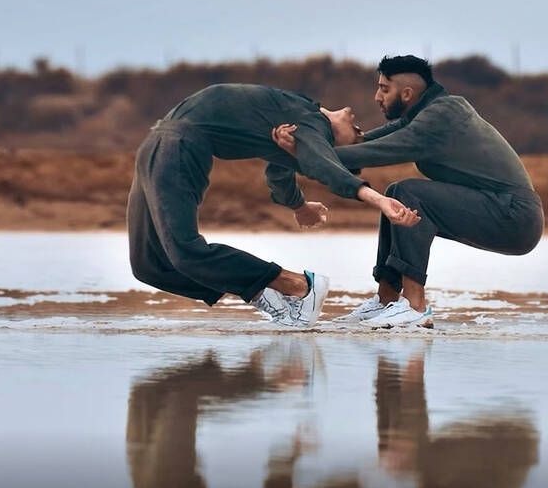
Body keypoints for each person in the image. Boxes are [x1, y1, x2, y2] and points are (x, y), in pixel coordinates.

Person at [272, 55, 544, 328]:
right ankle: (386, 302)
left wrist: (303, 153)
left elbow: (372, 152)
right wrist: (311, 139)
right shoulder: (425, 115)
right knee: (396, 193)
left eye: (384, 89)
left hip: (515, 216)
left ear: (407, 93)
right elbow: (363, 143)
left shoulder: (441, 117)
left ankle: (415, 308)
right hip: (501, 210)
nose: (377, 97)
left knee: (408, 193)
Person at [127, 83, 420, 328]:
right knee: (147, 266)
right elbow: (284, 172)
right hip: (158, 140)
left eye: (357, 139)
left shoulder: (312, 126)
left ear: (331, 148)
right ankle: (267, 292)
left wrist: (377, 199)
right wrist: (300, 205)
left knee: (184, 251)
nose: (361, 131)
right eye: (360, 134)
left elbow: (319, 166)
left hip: (177, 143)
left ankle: (297, 286)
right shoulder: (303, 115)